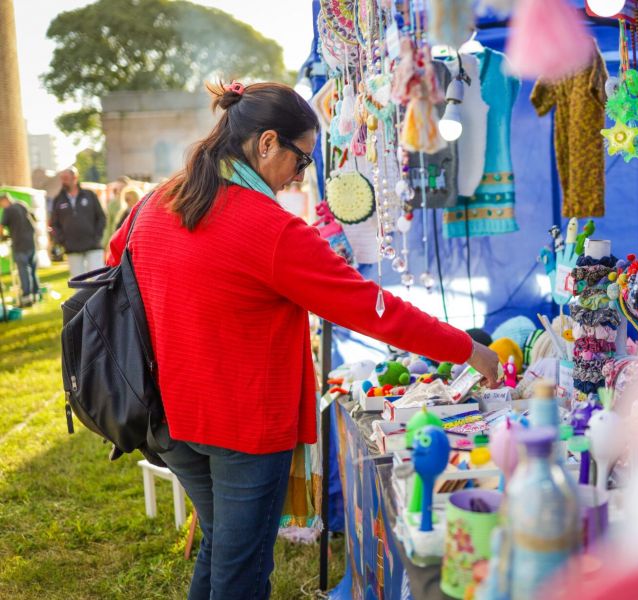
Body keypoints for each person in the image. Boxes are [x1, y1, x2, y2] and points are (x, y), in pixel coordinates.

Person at [107, 81, 500, 600]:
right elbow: (372, 309)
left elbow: (118, 268)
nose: (301, 175)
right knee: (241, 570)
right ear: (266, 143)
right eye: (302, 159)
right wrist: (467, 348)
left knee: (224, 546)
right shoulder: (269, 229)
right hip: (242, 427)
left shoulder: (156, 202)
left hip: (165, 416)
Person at [50, 167, 106, 278]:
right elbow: (54, 224)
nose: (64, 181)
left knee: (98, 280)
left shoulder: (89, 195)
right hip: (72, 248)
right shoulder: (58, 199)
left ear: (75, 177)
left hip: (93, 246)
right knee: (78, 283)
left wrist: (97, 236)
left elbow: (101, 217)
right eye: (62, 178)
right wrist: (62, 240)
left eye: (66, 178)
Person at [0, 193, 40, 305]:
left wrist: (2, 237)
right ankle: (36, 295)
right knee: (32, 270)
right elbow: (34, 219)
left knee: (23, 271)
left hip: (19, 244)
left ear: (4, 201)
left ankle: (26, 297)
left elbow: (1, 227)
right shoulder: (22, 204)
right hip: (31, 242)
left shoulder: (8, 210)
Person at [102, 177, 127, 249]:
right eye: (119, 188)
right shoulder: (112, 205)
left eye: (123, 188)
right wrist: (106, 243)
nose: (121, 191)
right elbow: (108, 224)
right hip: (116, 240)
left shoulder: (135, 201)